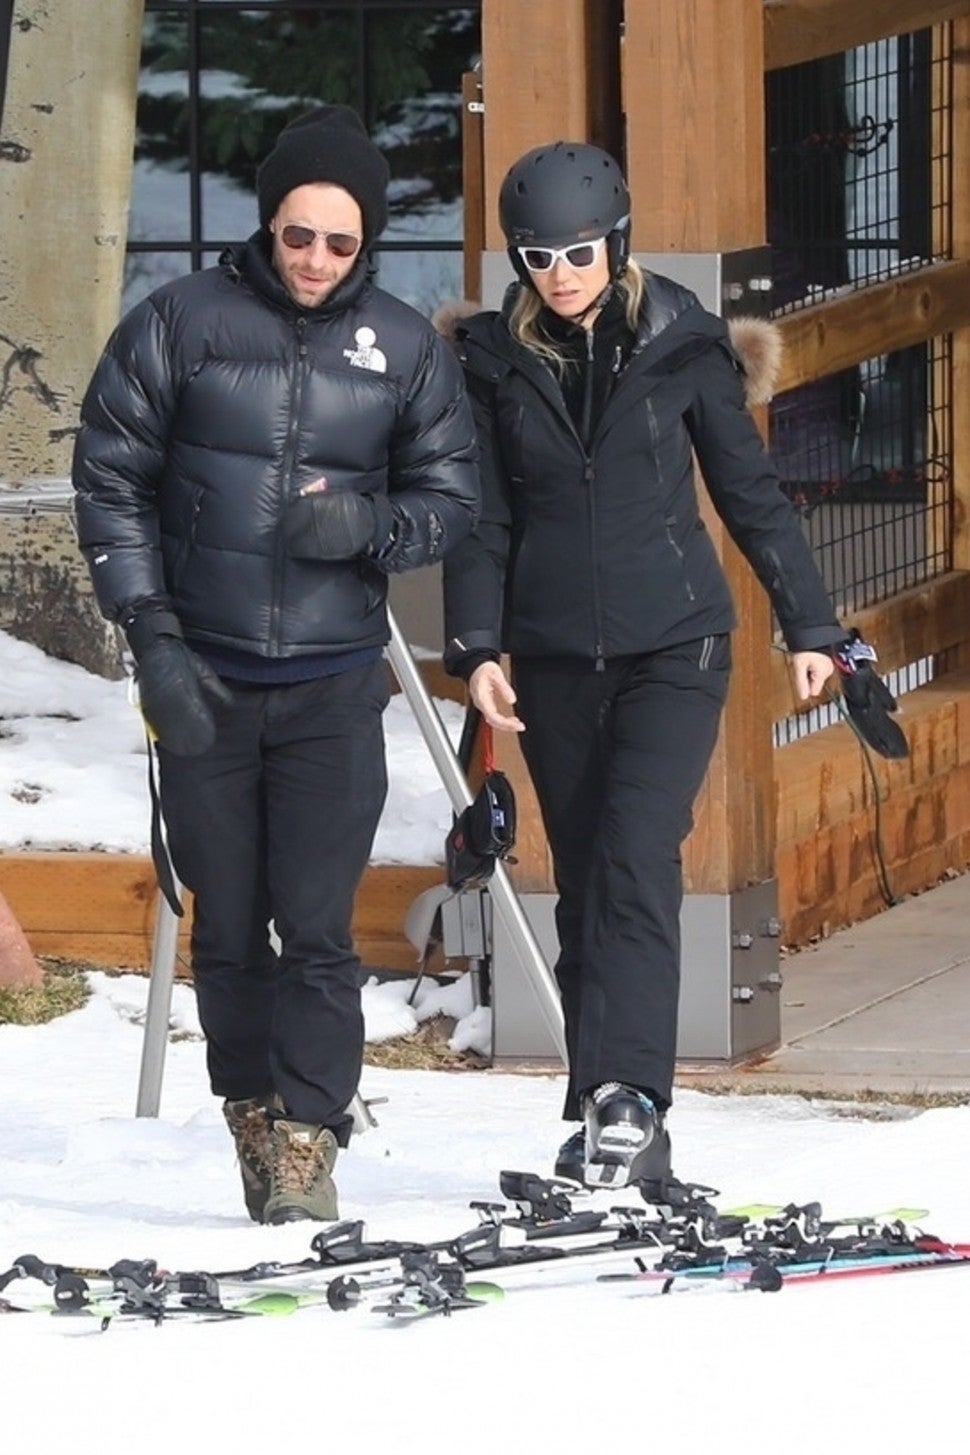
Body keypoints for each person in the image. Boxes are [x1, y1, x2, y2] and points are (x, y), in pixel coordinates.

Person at [72, 105, 479, 1225]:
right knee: (228, 925)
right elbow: (110, 477)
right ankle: (250, 1109)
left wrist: (368, 527)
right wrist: (151, 634)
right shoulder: (179, 323)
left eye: (340, 242)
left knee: (315, 926)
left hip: (330, 683)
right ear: (269, 224)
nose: (315, 259)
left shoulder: (403, 348)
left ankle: (310, 1136)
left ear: (366, 244)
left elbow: (452, 499)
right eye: (299, 234)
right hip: (200, 674)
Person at [441, 140, 851, 1199]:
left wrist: (810, 627)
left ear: (615, 244)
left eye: (579, 253)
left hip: (677, 643)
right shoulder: (489, 361)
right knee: (585, 883)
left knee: (633, 854)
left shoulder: (684, 344)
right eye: (537, 257)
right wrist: (476, 649)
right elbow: (483, 519)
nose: (560, 274)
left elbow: (750, 494)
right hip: (550, 657)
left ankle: (629, 1094)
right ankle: (609, 1118)